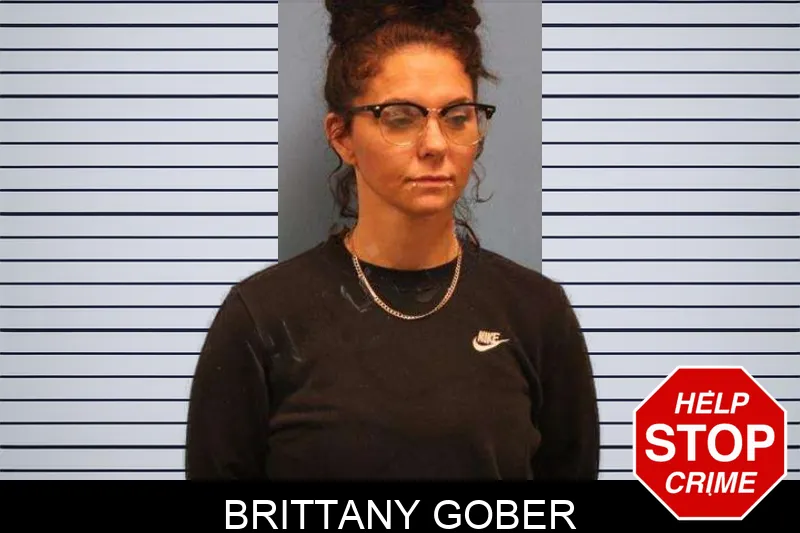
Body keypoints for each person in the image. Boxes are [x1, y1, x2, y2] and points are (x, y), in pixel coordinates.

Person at [185, 0, 600, 480]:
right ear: (342, 136)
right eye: (401, 117)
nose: (435, 143)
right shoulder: (261, 319)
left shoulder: (537, 314)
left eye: (457, 116)